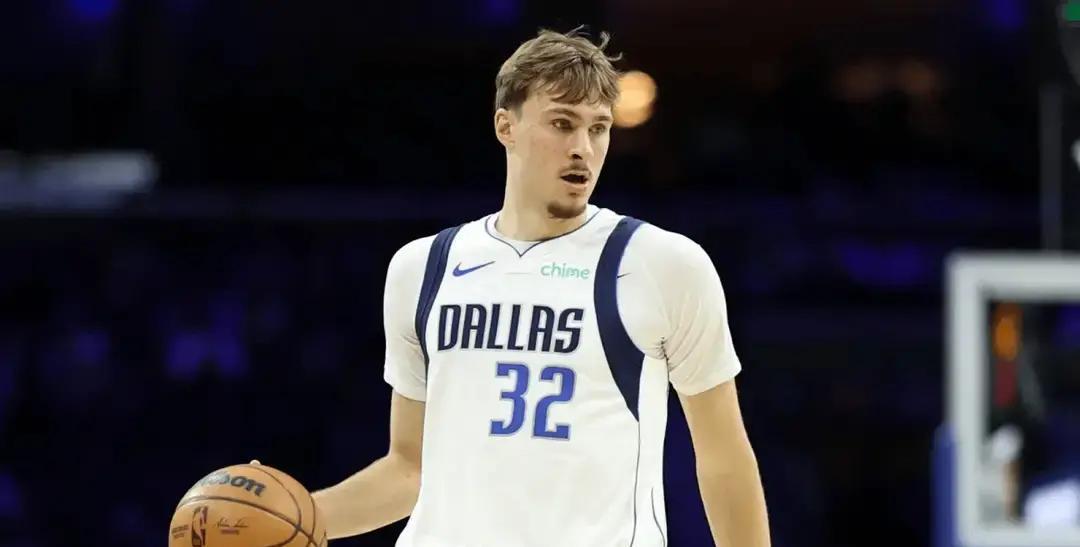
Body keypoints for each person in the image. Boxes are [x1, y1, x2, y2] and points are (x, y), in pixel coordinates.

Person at [309, 27, 770, 546]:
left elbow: (723, 458)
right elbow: (409, 470)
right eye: (562, 123)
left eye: (598, 128)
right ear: (505, 126)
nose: (582, 149)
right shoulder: (422, 267)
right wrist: (294, 517)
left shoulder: (662, 264)